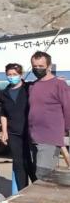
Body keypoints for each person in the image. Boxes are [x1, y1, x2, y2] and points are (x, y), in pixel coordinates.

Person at [28, 51, 70, 179]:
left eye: (41, 66)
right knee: (36, 176)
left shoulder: (60, 84)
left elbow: (68, 108)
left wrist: (66, 130)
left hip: (49, 138)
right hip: (33, 136)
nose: (37, 69)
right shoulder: (32, 86)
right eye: (34, 66)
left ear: (49, 66)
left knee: (44, 176)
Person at [0, 63, 34, 190]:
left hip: (30, 132)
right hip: (14, 133)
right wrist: (4, 131)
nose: (11, 77)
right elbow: (3, 114)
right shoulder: (4, 93)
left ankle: (37, 188)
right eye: (9, 74)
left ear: (21, 75)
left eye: (14, 74)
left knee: (31, 163)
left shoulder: (29, 87)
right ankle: (22, 191)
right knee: (19, 164)